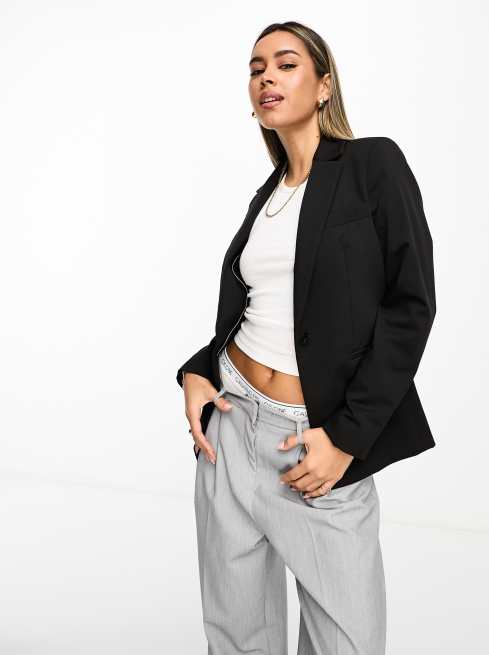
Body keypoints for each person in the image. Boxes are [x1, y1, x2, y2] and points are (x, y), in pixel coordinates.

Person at [176, 21, 436, 655]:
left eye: (286, 63)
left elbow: (410, 306)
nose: (266, 75)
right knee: (237, 638)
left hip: (313, 445)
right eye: (256, 67)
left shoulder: (372, 165)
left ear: (324, 85)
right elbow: (254, 309)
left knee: (347, 641)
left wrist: (347, 437)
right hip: (230, 432)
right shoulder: (267, 197)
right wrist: (197, 370)